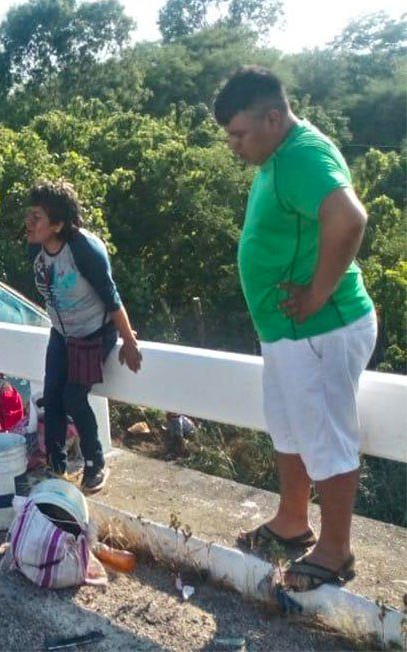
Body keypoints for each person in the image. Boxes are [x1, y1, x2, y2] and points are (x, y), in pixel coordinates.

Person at [214, 67, 377, 591]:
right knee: (288, 429)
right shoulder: (279, 156)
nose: (234, 147)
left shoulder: (303, 154)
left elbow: (349, 219)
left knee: (326, 439)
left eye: (239, 134)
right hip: (290, 335)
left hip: (321, 329)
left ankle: (335, 552)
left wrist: (318, 292)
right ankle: (291, 521)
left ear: (273, 116)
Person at [23, 180, 142, 494]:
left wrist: (128, 341)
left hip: (93, 333)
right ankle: (56, 466)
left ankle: (95, 463)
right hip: (61, 333)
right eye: (29, 215)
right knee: (52, 398)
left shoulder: (82, 250)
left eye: (37, 217)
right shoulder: (36, 246)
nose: (29, 223)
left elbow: (111, 296)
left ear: (58, 224)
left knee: (74, 396)